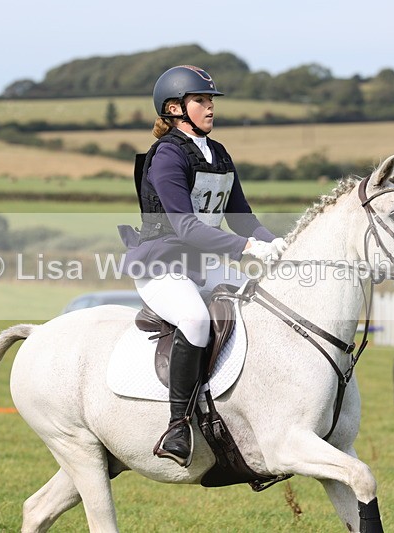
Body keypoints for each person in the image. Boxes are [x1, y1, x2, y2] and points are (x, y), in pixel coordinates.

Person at [118, 65, 286, 467]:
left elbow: (242, 217)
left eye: (211, 101)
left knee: (260, 300)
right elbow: (187, 226)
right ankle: (178, 426)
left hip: (203, 261)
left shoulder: (220, 153)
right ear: (175, 108)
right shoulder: (166, 156)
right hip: (162, 264)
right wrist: (246, 248)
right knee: (194, 319)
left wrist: (278, 245)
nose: (210, 108)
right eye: (202, 101)